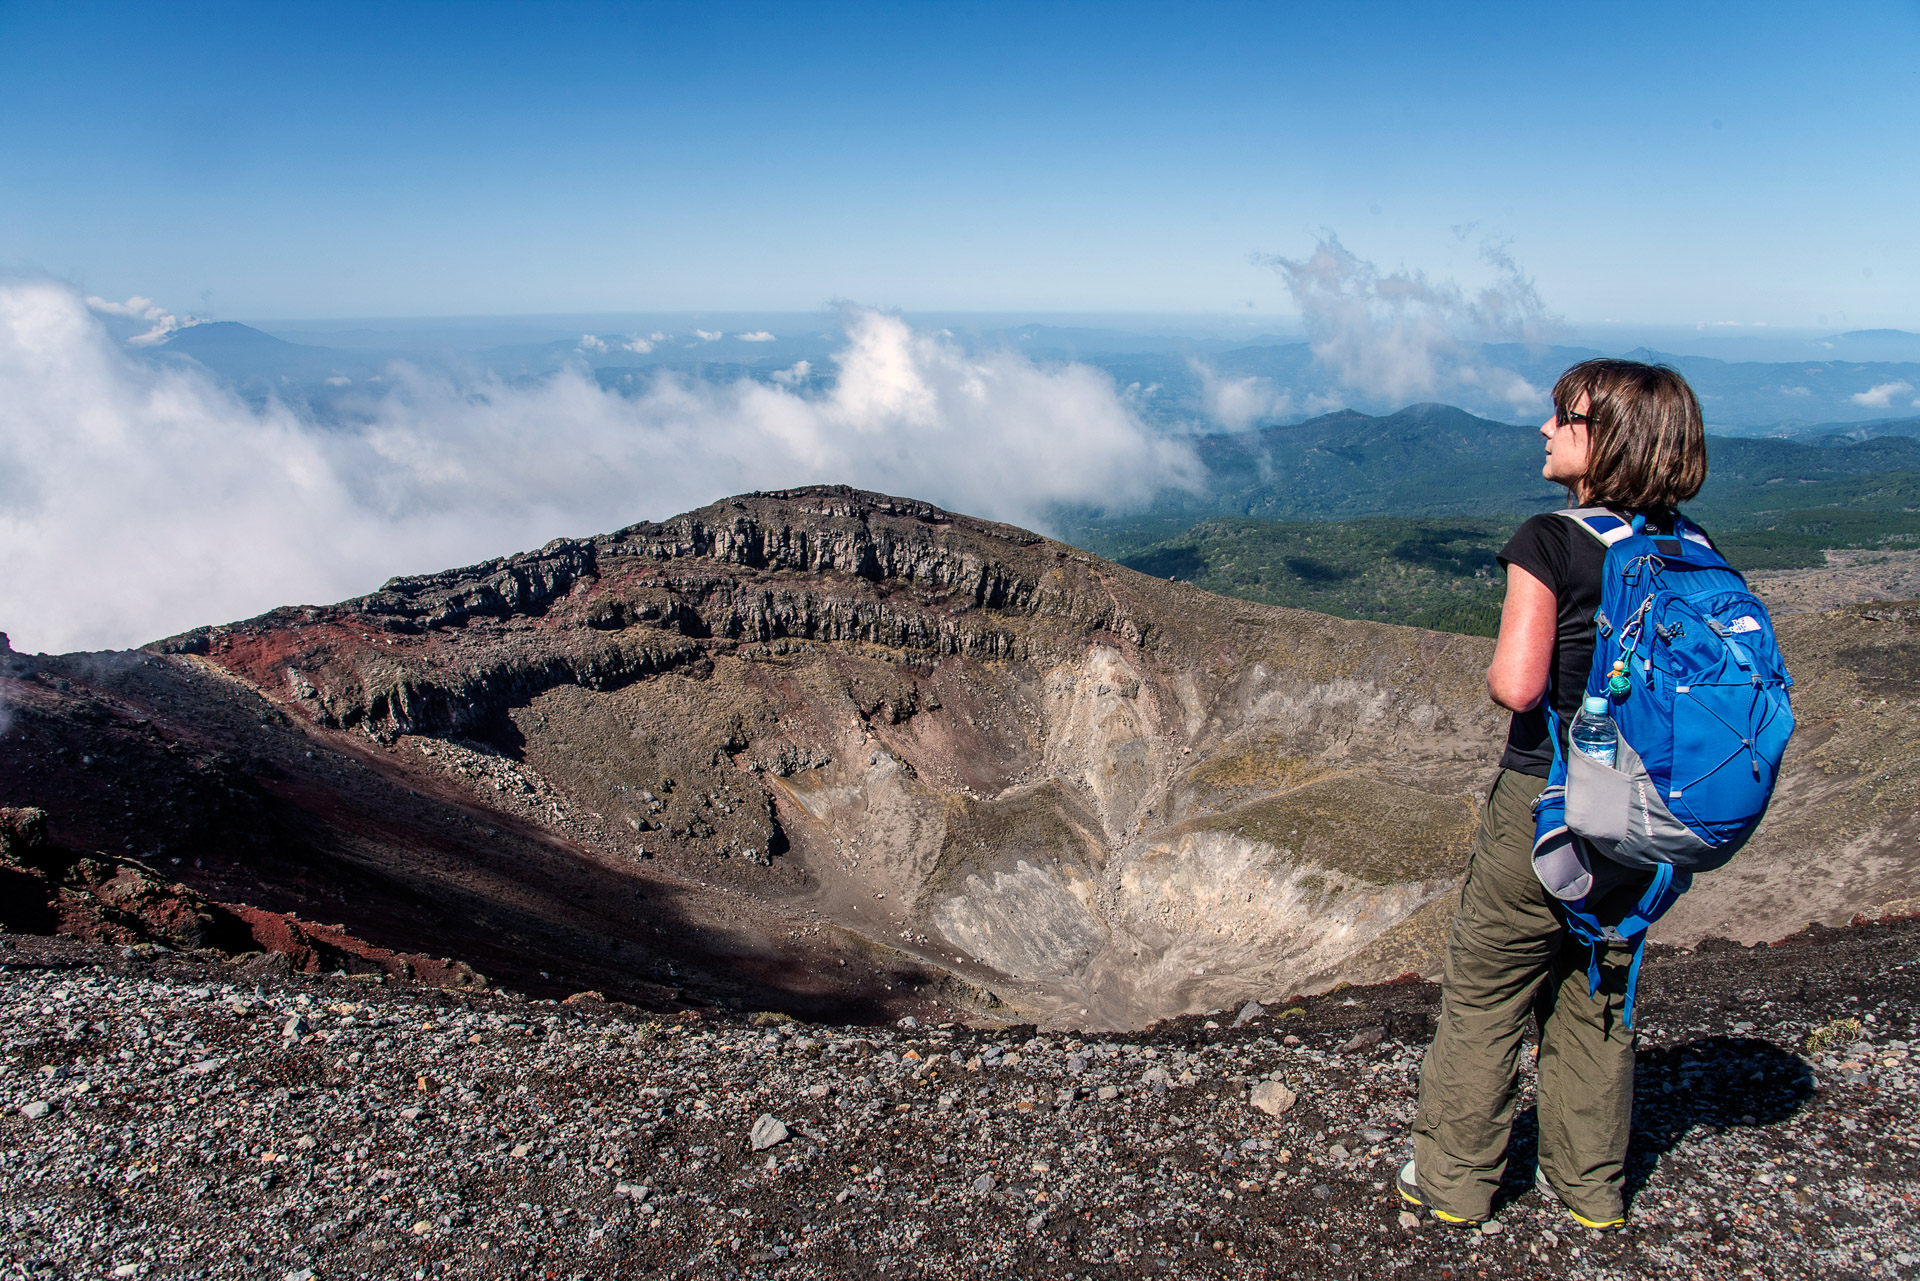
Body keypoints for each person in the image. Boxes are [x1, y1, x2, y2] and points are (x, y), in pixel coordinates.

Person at [1395, 358, 1711, 1231]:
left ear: (1604, 438)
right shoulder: (1693, 551)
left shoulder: (1551, 538)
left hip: (1553, 795)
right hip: (1645, 816)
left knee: (1488, 990)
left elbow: (1517, 685)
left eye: (1560, 416)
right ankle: (1594, 1192)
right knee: (1596, 989)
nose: (1543, 429)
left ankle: (1453, 1184)